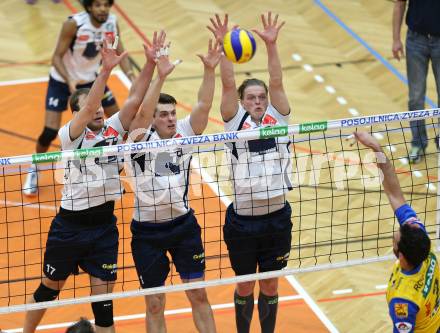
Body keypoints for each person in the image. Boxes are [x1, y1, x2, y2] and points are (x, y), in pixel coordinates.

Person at [23, 31, 162, 333]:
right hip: (69, 228)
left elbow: (135, 99)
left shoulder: (112, 129)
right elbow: (87, 108)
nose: (98, 108)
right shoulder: (70, 136)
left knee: (104, 307)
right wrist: (106, 70)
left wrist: (151, 64)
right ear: (77, 114)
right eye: (92, 105)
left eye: (100, 104)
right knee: (49, 289)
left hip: (103, 229)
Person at [125, 39, 221, 333]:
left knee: (198, 293)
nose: (170, 119)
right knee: (154, 303)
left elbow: (204, 105)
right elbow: (140, 112)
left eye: (172, 113)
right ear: (153, 119)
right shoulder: (139, 140)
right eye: (163, 114)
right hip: (147, 234)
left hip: (183, 228)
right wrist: (160, 74)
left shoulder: (185, 135)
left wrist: (209, 70)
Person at [207, 12, 292, 333]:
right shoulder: (233, 121)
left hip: (277, 219)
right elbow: (228, 83)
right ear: (242, 102)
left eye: (261, 97)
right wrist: (224, 46)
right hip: (243, 222)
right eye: (251, 98)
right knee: (245, 287)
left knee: (270, 287)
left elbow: (277, 81)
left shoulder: (279, 117)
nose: (258, 101)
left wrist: (271, 45)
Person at [23, 0, 135, 196]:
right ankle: (35, 169)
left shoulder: (112, 22)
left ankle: (111, 168)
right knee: (49, 131)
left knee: (121, 124)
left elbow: (120, 52)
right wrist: (70, 81)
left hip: (92, 81)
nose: (103, 9)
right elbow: (56, 57)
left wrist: (132, 76)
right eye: (98, 5)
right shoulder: (73, 23)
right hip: (62, 80)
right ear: (89, 7)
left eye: (106, 5)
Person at [352, 131, 440, 333]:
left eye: (396, 237)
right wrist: (377, 149)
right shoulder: (420, 240)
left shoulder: (403, 301)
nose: (397, 231)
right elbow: (395, 194)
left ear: (400, 256)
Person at [392, 0, 440, 163]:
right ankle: (418, 143)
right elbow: (399, 4)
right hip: (415, 41)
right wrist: (396, 39)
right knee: (415, 97)